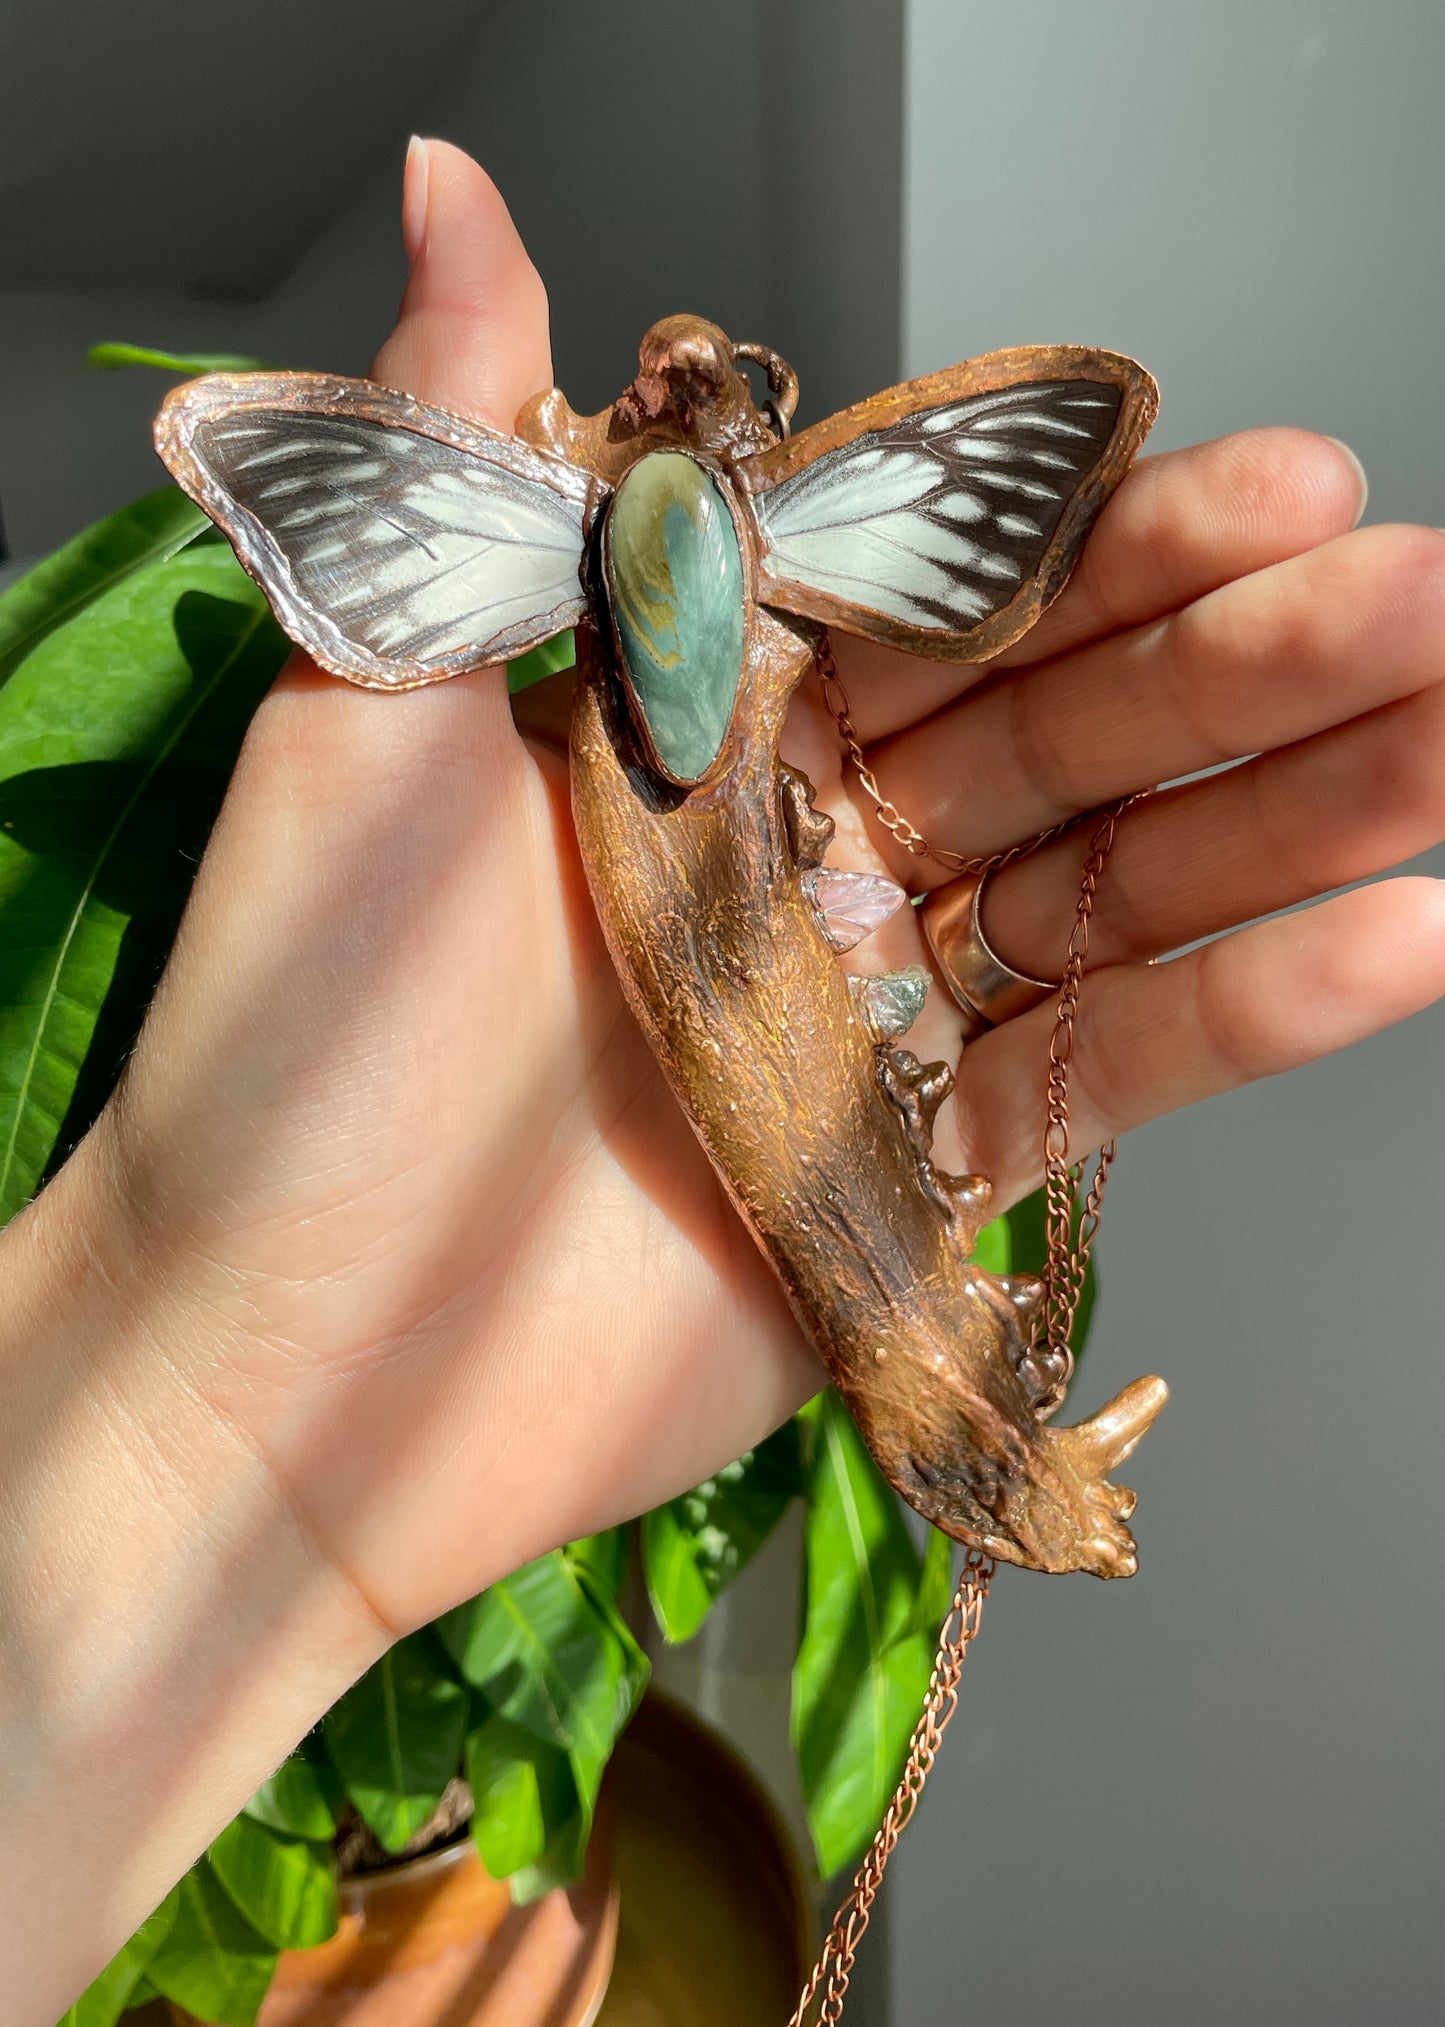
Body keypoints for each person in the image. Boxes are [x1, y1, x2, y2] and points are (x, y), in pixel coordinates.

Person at [7, 137, 1445, 2020]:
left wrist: (180, 1417)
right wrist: (192, 1392)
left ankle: (994, 1441)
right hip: (686, 831)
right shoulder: (656, 551)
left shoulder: (664, 552)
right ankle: (994, 1445)